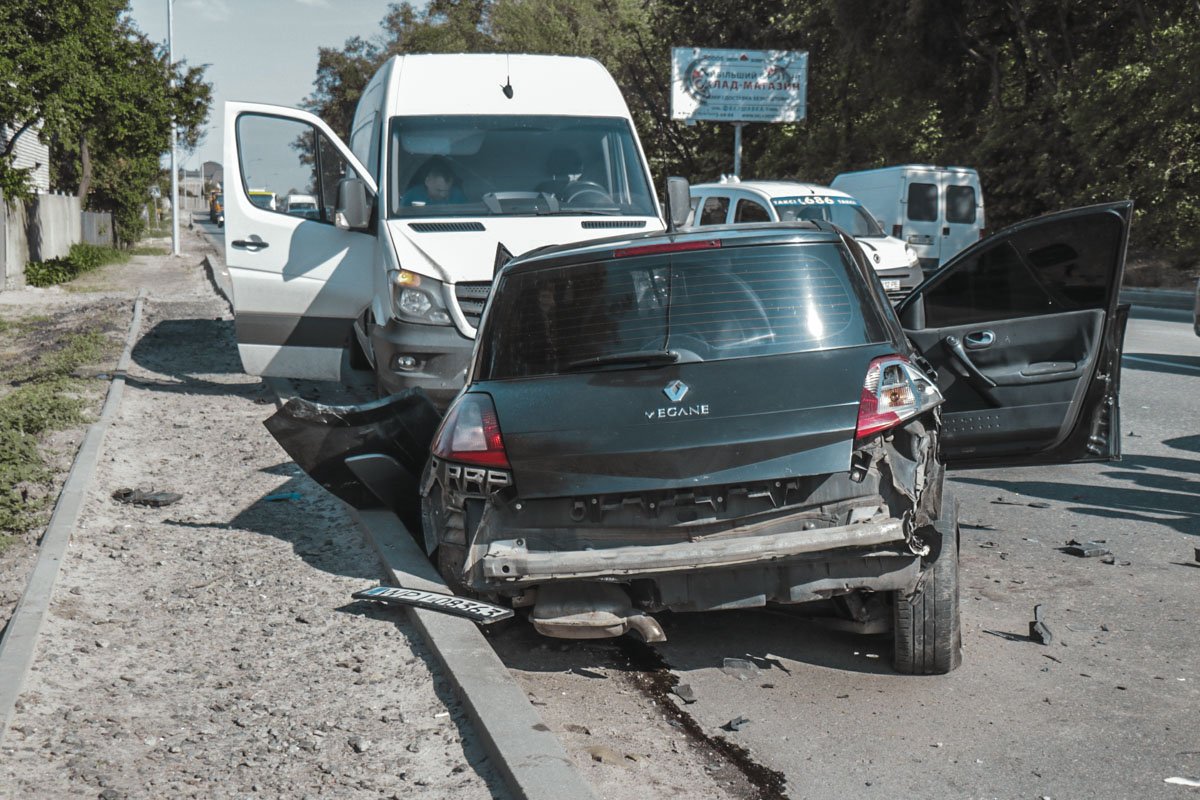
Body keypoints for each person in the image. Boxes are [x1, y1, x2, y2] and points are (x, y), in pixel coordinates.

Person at [402, 156, 466, 206]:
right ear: (427, 182)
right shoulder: (412, 196)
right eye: (439, 190)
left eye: (447, 191)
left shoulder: (458, 196)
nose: (443, 195)